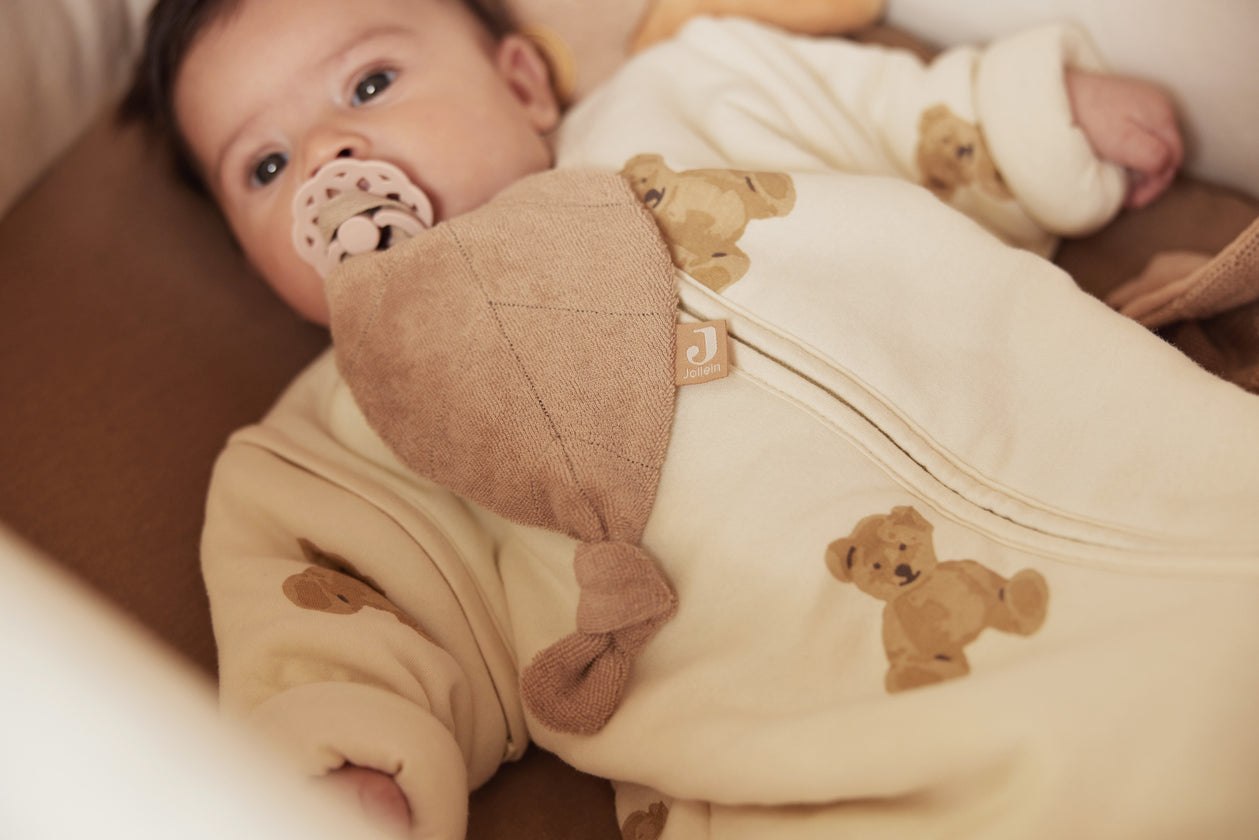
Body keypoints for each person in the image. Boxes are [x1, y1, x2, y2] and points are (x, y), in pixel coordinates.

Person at [125, 0, 1259, 838]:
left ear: (521, 84)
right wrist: (340, 771)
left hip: (1132, 463)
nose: (329, 159)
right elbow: (333, 621)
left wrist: (1033, 117)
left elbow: (889, 112)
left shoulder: (689, 94)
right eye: (264, 165)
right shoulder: (341, 441)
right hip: (878, 748)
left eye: (369, 85)